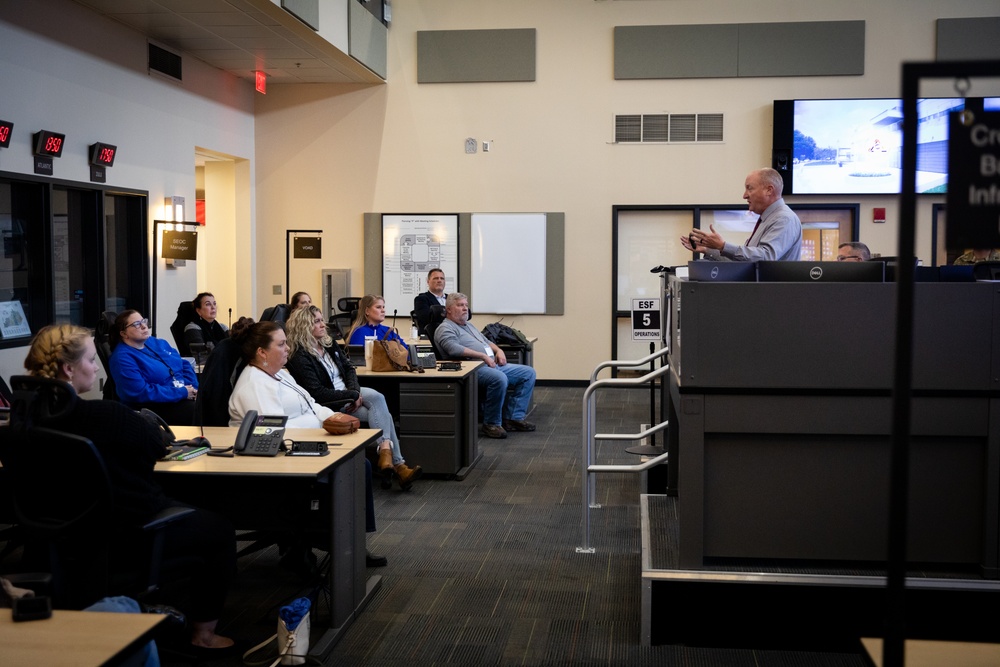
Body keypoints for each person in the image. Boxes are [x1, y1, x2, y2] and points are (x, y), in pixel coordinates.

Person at [23, 324, 237, 655]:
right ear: (68, 368)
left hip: (50, 540)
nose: (96, 368)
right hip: (125, 536)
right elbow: (155, 447)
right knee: (220, 528)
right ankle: (203, 636)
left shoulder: (24, 423)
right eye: (92, 360)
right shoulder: (110, 416)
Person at [227, 317, 387, 566]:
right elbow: (274, 434)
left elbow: (311, 405)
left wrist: (332, 416)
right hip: (277, 465)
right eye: (281, 345)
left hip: (303, 449)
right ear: (261, 352)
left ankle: (352, 542)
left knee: (360, 465)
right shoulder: (254, 385)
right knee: (353, 470)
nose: (287, 348)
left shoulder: (280, 375)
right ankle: (334, 542)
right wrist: (321, 430)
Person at [285, 306, 423, 490]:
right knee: (385, 415)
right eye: (316, 321)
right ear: (303, 326)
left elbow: (349, 368)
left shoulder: (328, 343)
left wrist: (354, 392)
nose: (322, 325)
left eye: (321, 320)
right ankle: (399, 465)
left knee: (377, 398)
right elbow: (317, 392)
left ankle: (387, 455)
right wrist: (351, 396)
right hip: (331, 401)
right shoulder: (300, 356)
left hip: (348, 391)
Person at [434, 293, 536, 439]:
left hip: (490, 363)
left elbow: (486, 340)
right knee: (499, 378)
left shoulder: (468, 325)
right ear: (449, 309)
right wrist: (482, 356)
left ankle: (513, 417)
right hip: (471, 367)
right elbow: (453, 349)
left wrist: (498, 350)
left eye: (466, 305)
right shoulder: (445, 328)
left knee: (528, 373)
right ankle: (491, 423)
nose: (465, 309)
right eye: (460, 305)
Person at [681, 167, 803, 261]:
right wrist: (708, 250)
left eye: (750, 188)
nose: (744, 195)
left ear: (769, 190)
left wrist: (723, 246)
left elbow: (766, 258)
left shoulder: (784, 219)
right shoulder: (767, 219)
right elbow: (743, 263)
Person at [109, 310, 198, 425]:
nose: (143, 326)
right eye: (136, 324)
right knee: (201, 411)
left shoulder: (155, 342)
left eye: (143, 321)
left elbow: (183, 364)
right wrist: (181, 392)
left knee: (214, 402)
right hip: (153, 407)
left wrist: (193, 389)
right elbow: (140, 392)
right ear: (124, 333)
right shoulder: (122, 358)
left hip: (178, 396)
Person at [413, 268, 448, 332]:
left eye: (442, 278)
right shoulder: (421, 299)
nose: (439, 281)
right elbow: (426, 318)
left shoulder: (451, 299)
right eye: (436, 278)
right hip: (433, 336)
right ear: (428, 281)